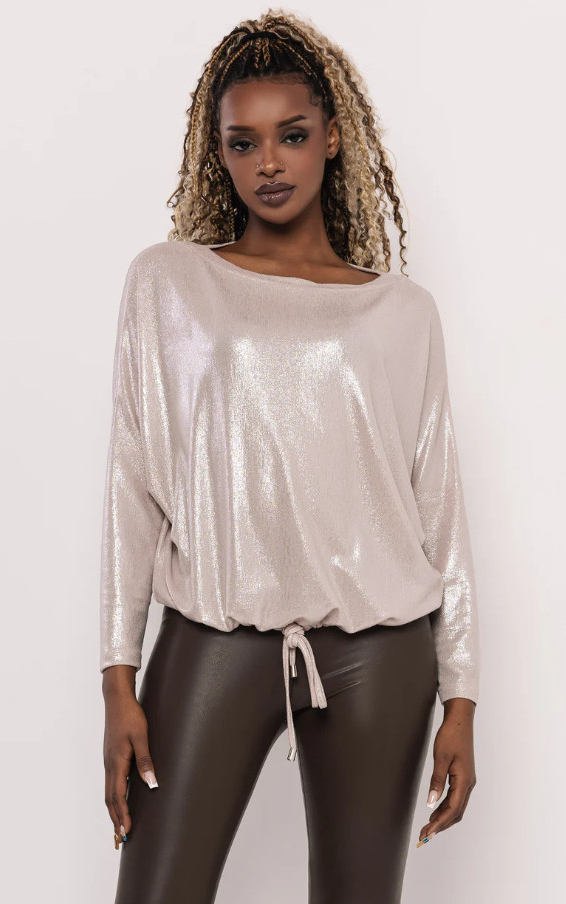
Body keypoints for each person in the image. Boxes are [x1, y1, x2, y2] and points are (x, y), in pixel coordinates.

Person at [100, 9, 480, 903]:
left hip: (380, 652)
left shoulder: (401, 312)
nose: (268, 162)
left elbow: (436, 501)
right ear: (219, 153)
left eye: (292, 135)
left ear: (332, 138)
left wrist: (460, 695)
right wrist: (118, 677)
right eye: (244, 142)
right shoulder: (169, 282)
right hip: (213, 636)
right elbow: (132, 481)